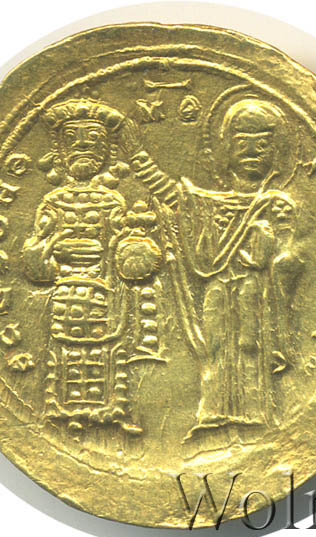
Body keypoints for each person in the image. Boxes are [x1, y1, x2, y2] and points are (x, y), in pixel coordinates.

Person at [121, 98, 303, 435]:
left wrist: (271, 254)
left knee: (250, 344)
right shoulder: (207, 203)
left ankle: (254, 416)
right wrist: (136, 155)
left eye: (262, 144)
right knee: (214, 348)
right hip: (218, 286)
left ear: (275, 152)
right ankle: (214, 414)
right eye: (243, 143)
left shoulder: (276, 204)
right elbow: (170, 194)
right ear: (226, 150)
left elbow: (288, 258)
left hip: (256, 289)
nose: (252, 151)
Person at [23, 98, 162, 437]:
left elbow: (120, 246)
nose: (83, 147)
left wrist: (134, 242)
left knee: (109, 350)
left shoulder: (113, 201)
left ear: (107, 153)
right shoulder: (53, 202)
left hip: (106, 290)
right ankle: (62, 412)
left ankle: (111, 412)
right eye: (73, 140)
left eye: (93, 140)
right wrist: (50, 250)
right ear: (60, 152)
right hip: (67, 288)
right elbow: (37, 254)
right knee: (65, 350)